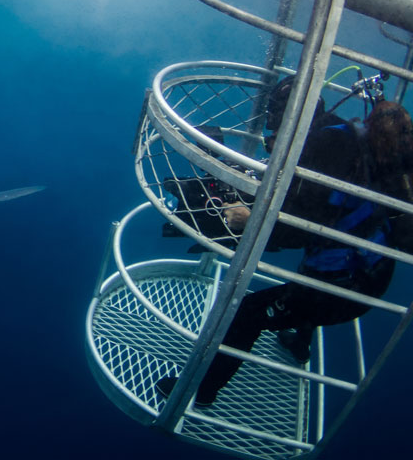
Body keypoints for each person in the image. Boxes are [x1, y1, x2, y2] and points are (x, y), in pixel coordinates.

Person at [157, 75, 395, 407]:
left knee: (249, 312)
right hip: (361, 264)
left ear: (296, 114)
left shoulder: (324, 151)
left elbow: (301, 231)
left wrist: (247, 219)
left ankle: (201, 391)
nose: (271, 123)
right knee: (310, 272)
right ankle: (299, 343)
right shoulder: (332, 132)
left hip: (350, 287)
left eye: (276, 115)